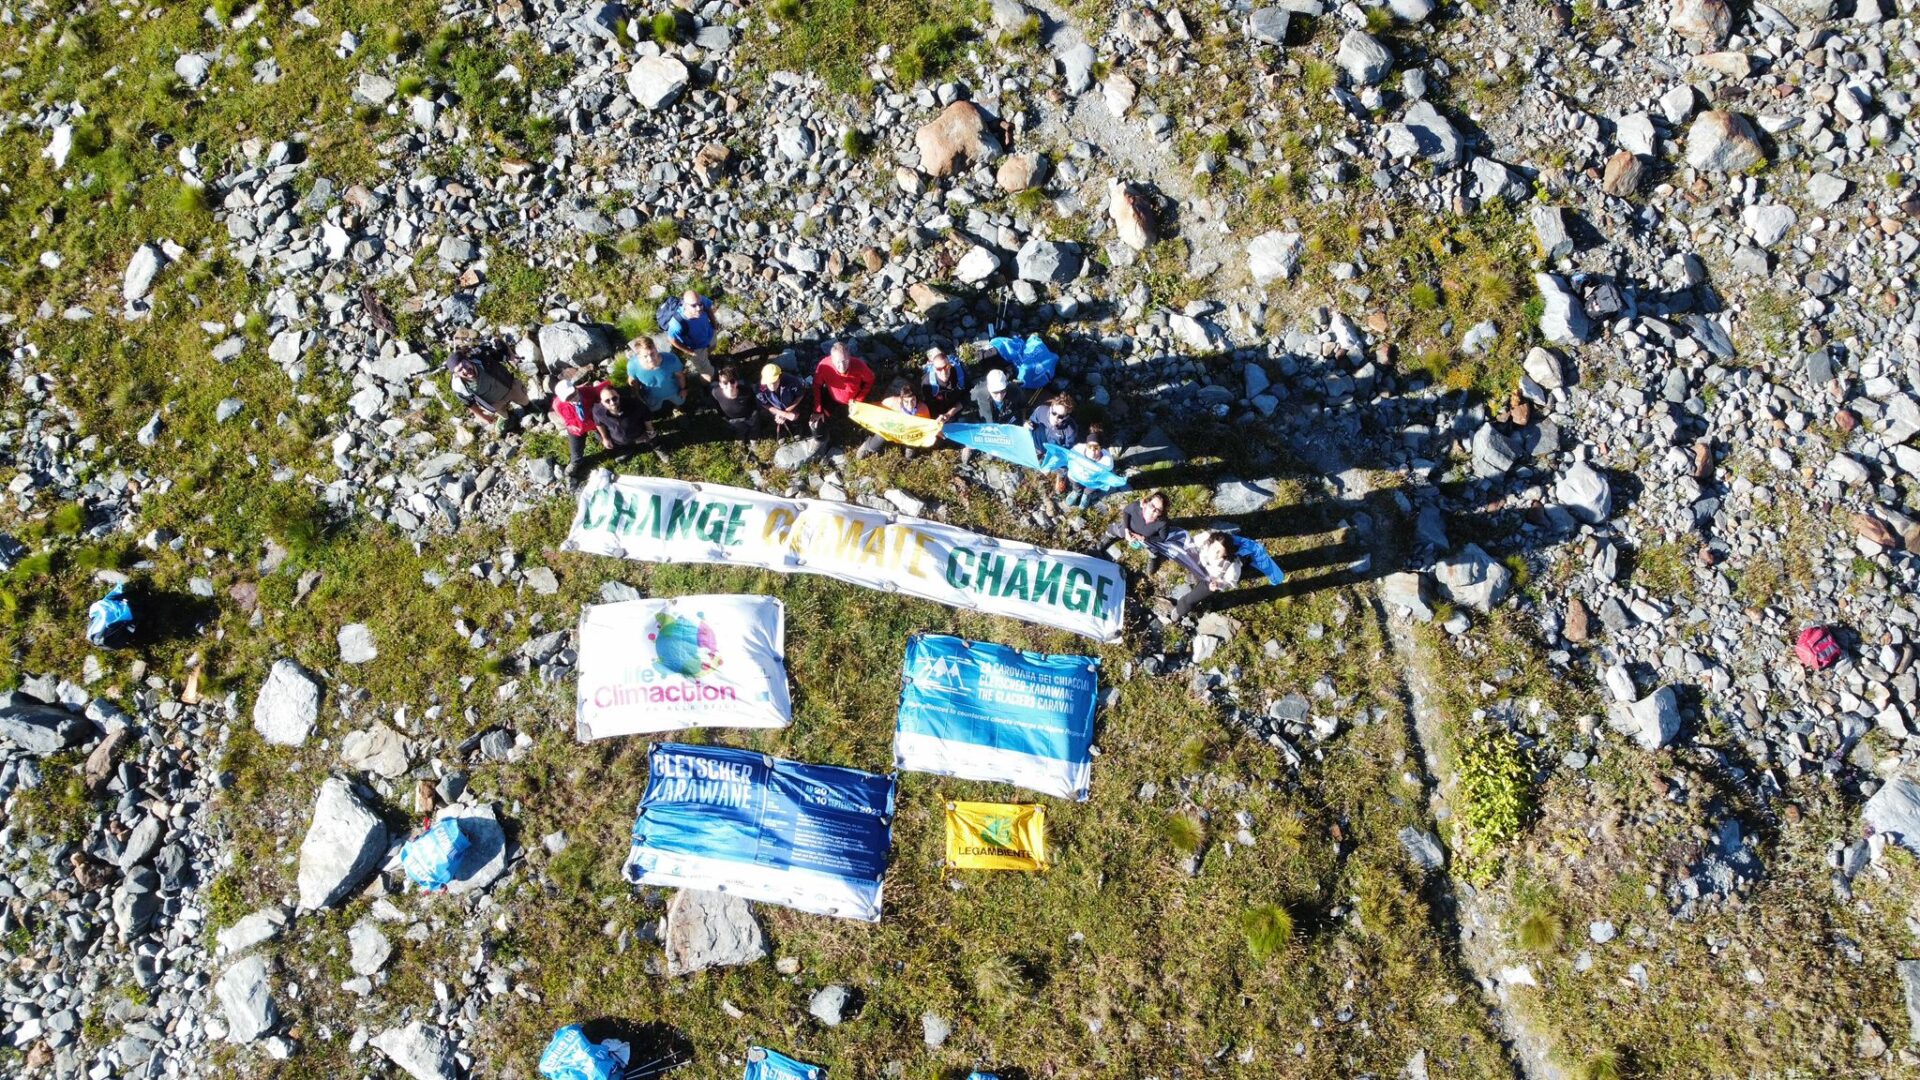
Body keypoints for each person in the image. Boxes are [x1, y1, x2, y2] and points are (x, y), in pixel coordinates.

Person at [447, 343, 529, 429]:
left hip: (509, 387)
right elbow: (469, 403)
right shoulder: (459, 386)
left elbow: (497, 350)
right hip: (494, 403)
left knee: (524, 400)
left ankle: (530, 407)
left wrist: (510, 356)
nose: (465, 370)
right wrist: (483, 417)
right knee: (503, 414)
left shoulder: (481, 358)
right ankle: (505, 419)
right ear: (456, 374)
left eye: (464, 364)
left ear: (468, 359)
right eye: (460, 370)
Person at [550, 369, 609, 479]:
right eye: (568, 398)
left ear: (576, 389)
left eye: (573, 394)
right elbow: (564, 417)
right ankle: (575, 463)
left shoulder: (589, 392)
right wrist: (571, 425)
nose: (573, 398)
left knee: (609, 441)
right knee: (576, 453)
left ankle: (614, 448)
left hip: (594, 423)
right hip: (576, 429)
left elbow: (601, 390)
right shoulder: (557, 405)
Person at [1172, 530, 1242, 621]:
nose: (1215, 553)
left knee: (1191, 598)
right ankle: (1194, 578)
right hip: (1200, 568)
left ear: (1226, 553)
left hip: (1210, 582)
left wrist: (1218, 584)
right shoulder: (1206, 540)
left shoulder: (1232, 566)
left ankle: (1179, 610)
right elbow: (1193, 541)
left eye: (1219, 551)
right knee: (1195, 573)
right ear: (1211, 542)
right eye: (1214, 547)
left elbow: (1229, 582)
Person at [855, 380, 932, 459]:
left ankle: (908, 455)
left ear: (916, 399)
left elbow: (927, 425)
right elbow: (877, 409)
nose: (910, 405)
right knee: (880, 437)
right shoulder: (891, 402)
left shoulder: (923, 408)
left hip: (909, 433)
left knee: (909, 455)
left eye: (913, 400)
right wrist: (858, 409)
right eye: (906, 401)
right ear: (901, 399)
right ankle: (869, 447)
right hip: (892, 429)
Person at [590, 383, 664, 462]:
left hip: (639, 434)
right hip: (618, 440)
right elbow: (599, 424)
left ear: (619, 396)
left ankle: (658, 448)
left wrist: (650, 430)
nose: (612, 403)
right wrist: (605, 438)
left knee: (653, 438)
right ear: (602, 402)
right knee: (602, 438)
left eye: (614, 398)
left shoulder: (633, 404)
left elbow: (646, 415)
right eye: (607, 401)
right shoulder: (597, 411)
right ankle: (628, 450)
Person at [812, 341, 875, 428]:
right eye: (838, 362)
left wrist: (859, 399)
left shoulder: (859, 365)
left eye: (845, 361)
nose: (842, 366)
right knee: (816, 423)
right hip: (832, 398)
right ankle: (823, 439)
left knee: (865, 424)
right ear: (831, 358)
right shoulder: (824, 366)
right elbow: (817, 385)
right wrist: (817, 410)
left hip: (854, 399)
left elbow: (870, 380)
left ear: (850, 357)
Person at [1027, 393, 1079, 495]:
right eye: (1054, 413)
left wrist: (1050, 464)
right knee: (1035, 431)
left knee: (1065, 461)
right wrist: (1028, 424)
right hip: (1043, 439)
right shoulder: (1041, 411)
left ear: (1067, 415)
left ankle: (1061, 474)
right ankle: (1038, 451)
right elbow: (1032, 420)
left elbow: (1065, 451)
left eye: (1060, 416)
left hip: (1057, 449)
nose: (1055, 418)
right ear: (1051, 408)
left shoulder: (1070, 430)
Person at [1105, 491, 1172, 568]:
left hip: (1146, 539)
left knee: (1153, 548)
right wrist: (1127, 531)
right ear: (1147, 502)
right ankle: (1108, 535)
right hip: (1129, 528)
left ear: (1161, 513)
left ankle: (1154, 558)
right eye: (1152, 505)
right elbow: (1126, 511)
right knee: (1117, 530)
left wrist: (1145, 538)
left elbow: (1162, 538)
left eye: (1158, 510)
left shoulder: (1163, 523)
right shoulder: (1136, 507)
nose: (1153, 510)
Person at [624, 336, 688, 415]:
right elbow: (633, 381)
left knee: (680, 401)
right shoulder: (633, 366)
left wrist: (683, 389)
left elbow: (680, 376)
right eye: (645, 356)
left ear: (656, 349)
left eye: (652, 353)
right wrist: (637, 395)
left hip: (673, 391)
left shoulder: (671, 359)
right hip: (652, 396)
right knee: (653, 408)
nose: (650, 359)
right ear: (638, 355)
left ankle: (676, 408)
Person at [664, 290, 717, 380]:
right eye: (693, 305)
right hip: (697, 349)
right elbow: (671, 339)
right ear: (685, 305)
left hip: (710, 335)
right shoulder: (677, 323)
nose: (698, 308)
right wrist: (690, 352)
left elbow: (708, 309)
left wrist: (714, 325)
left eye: (699, 304)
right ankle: (707, 386)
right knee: (708, 375)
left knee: (712, 349)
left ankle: (706, 358)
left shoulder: (701, 301)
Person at [757, 363, 819, 439]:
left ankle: (796, 425)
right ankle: (781, 429)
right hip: (774, 410)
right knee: (774, 417)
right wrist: (781, 414)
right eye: (769, 383)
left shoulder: (792, 381)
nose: (772, 386)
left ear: (780, 377)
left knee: (794, 416)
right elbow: (764, 403)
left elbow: (800, 395)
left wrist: (787, 411)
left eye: (775, 382)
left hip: (790, 406)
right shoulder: (761, 387)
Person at [1062, 424, 1115, 509]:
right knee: (1074, 481)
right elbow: (1069, 457)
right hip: (1076, 475)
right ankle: (1077, 491)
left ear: (1101, 448)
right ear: (1086, 445)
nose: (1092, 451)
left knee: (1093, 485)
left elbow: (1106, 474)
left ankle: (1086, 494)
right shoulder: (1077, 449)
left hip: (1092, 479)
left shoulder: (1107, 460)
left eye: (1096, 448)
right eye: (1090, 447)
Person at [709, 364, 765, 441]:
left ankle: (754, 437)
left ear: (736, 382)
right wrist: (724, 417)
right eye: (725, 382)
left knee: (755, 427)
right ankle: (741, 435)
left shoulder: (747, 391)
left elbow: (754, 403)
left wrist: (753, 414)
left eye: (732, 381)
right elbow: (717, 406)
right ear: (721, 385)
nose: (729, 385)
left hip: (750, 416)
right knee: (739, 429)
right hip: (732, 419)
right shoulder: (715, 393)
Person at [922, 346, 969, 422]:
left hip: (957, 408)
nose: (944, 372)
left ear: (950, 366)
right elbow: (929, 406)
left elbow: (967, 396)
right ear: (934, 369)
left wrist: (949, 414)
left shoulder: (959, 374)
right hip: (938, 414)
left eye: (946, 367)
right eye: (939, 369)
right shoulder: (927, 384)